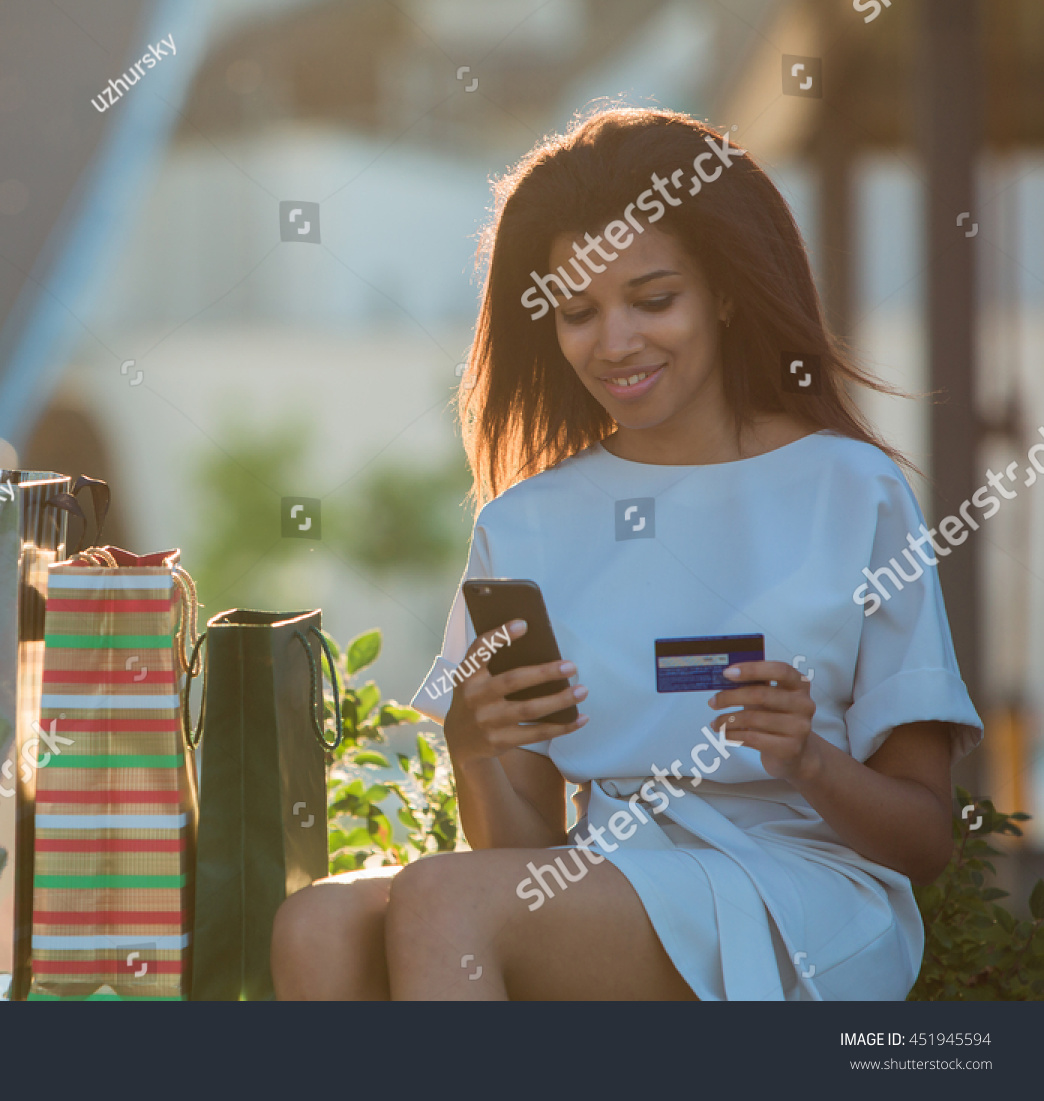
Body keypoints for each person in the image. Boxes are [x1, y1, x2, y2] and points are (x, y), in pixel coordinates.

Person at [269, 106, 982, 1001]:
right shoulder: (525, 522)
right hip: (604, 878)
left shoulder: (852, 488)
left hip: (805, 895)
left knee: (444, 900)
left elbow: (925, 840)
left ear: (722, 291)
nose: (615, 344)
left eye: (653, 300)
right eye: (578, 311)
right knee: (320, 922)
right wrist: (473, 747)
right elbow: (516, 861)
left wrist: (811, 760)